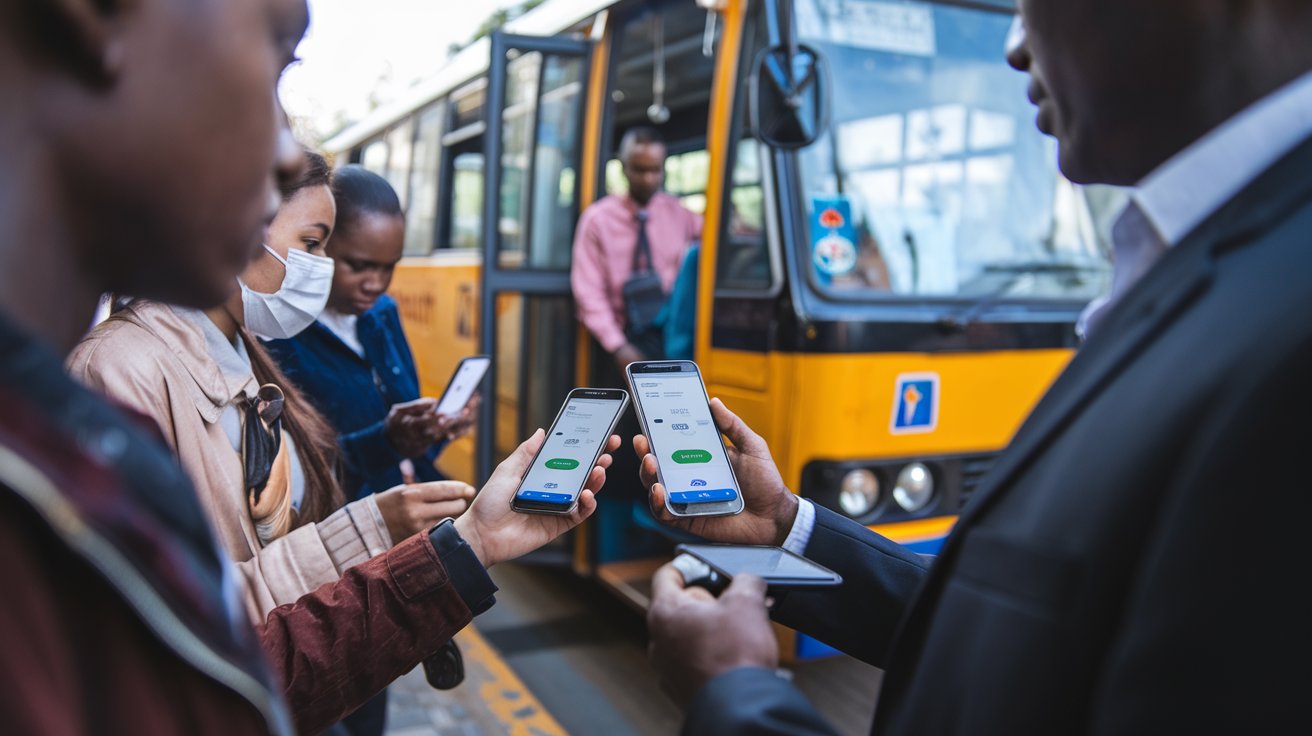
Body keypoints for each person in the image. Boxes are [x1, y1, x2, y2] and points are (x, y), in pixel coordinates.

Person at [642, 1, 1312, 733]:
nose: (1017, 46)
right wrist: (787, 526)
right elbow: (1032, 633)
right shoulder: (1218, 266)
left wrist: (733, 696)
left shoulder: (1282, 328)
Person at [0, 0, 619, 733]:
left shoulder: (179, 379)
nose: (287, 156)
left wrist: (457, 542)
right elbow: (217, 650)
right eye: (275, 57)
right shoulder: (103, 386)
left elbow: (235, 639)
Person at [69, 149, 474, 624]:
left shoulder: (245, 346)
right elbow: (162, 604)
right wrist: (369, 527)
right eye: (313, 243)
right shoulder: (118, 369)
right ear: (235, 225)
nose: (322, 266)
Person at [265, 164, 473, 501]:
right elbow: (294, 473)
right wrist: (386, 443)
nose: (375, 284)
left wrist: (434, 431)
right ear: (322, 244)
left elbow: (408, 448)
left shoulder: (383, 313)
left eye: (389, 267)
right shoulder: (279, 330)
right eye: (359, 266)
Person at [571, 126, 701, 370]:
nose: (648, 179)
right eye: (640, 170)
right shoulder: (598, 220)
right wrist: (618, 346)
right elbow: (588, 291)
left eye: (655, 170)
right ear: (624, 168)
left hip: (668, 335)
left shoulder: (679, 214)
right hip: (619, 338)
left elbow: (717, 239)